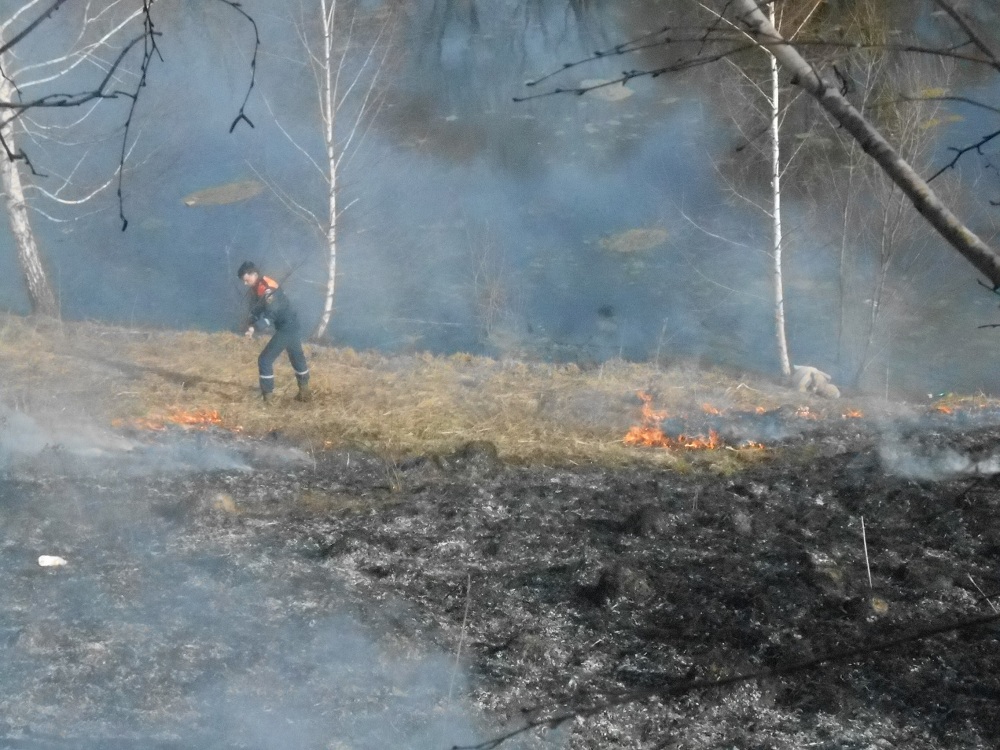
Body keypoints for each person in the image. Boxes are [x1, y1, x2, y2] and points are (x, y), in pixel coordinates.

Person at [237, 261, 311, 403]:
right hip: (291, 325)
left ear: (254, 274)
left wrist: (255, 327)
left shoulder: (267, 288)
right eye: (244, 281)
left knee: (264, 360)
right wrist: (251, 320)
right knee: (297, 357)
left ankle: (268, 397)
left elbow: (271, 314)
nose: (246, 284)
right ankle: (305, 392)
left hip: (287, 327)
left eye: (247, 280)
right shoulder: (257, 287)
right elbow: (258, 307)